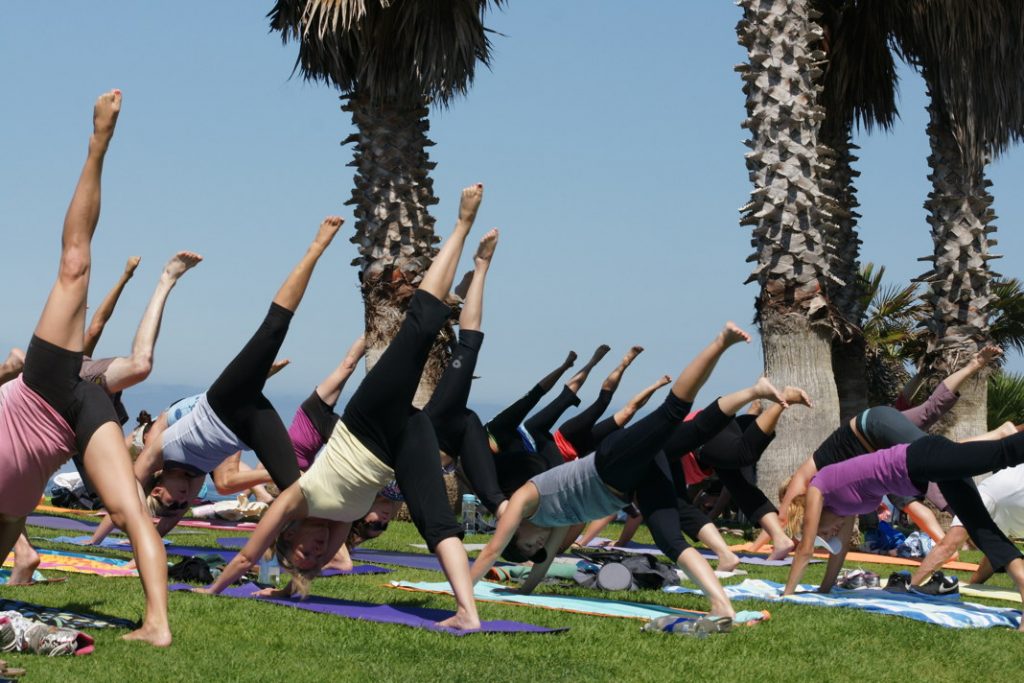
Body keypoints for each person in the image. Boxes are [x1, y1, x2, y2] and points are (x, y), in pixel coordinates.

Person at [199, 185, 488, 632]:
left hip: (365, 423)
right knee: (437, 522)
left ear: (288, 534)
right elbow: (313, 570)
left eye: (304, 551)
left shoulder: (296, 497)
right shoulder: (337, 528)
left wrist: (213, 590)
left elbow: (246, 555)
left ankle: (461, 225)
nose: (317, 551)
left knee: (421, 327)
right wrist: (293, 584)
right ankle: (468, 612)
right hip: (399, 443)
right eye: (316, 557)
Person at [469, 322, 786, 620]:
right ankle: (721, 603)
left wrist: (463, 590)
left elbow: (491, 549)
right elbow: (544, 564)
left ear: (515, 529)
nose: (536, 545)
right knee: (669, 538)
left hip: (610, 463)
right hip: (634, 481)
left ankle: (721, 342)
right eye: (534, 549)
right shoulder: (551, 526)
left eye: (527, 544)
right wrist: (525, 588)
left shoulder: (524, 499)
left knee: (673, 413)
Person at [0, 91, 170, 646]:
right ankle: (156, 625)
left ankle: (98, 143)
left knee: (75, 263)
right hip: (59, 426)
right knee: (128, 512)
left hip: (51, 389)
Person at [90, 215, 344, 543]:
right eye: (181, 504)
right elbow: (164, 527)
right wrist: (154, 535)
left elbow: (126, 497)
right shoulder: (193, 487)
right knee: (296, 491)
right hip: (251, 424)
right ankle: (330, 553)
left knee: (273, 330)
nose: (182, 500)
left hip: (222, 402)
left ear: (158, 487)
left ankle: (316, 247)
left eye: (172, 501)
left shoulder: (161, 449)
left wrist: (96, 540)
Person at [756, 345, 1004, 552]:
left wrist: (756, 548)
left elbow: (781, 518)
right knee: (931, 412)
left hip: (874, 429)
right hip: (877, 424)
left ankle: (997, 440)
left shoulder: (809, 478)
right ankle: (974, 365)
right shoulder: (834, 485)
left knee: (938, 461)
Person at [782, 429, 1024, 627]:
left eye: (823, 532)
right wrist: (824, 590)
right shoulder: (842, 506)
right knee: (980, 527)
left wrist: (787, 595)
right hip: (929, 469)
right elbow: (841, 549)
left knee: (1002, 453)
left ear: (812, 515)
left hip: (923, 457)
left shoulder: (819, 487)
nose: (829, 534)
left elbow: (805, 550)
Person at [910, 460, 1024, 587]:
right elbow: (997, 551)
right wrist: (973, 583)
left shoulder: (979, 499)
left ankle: (913, 584)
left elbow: (947, 546)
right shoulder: (995, 510)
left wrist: (912, 584)